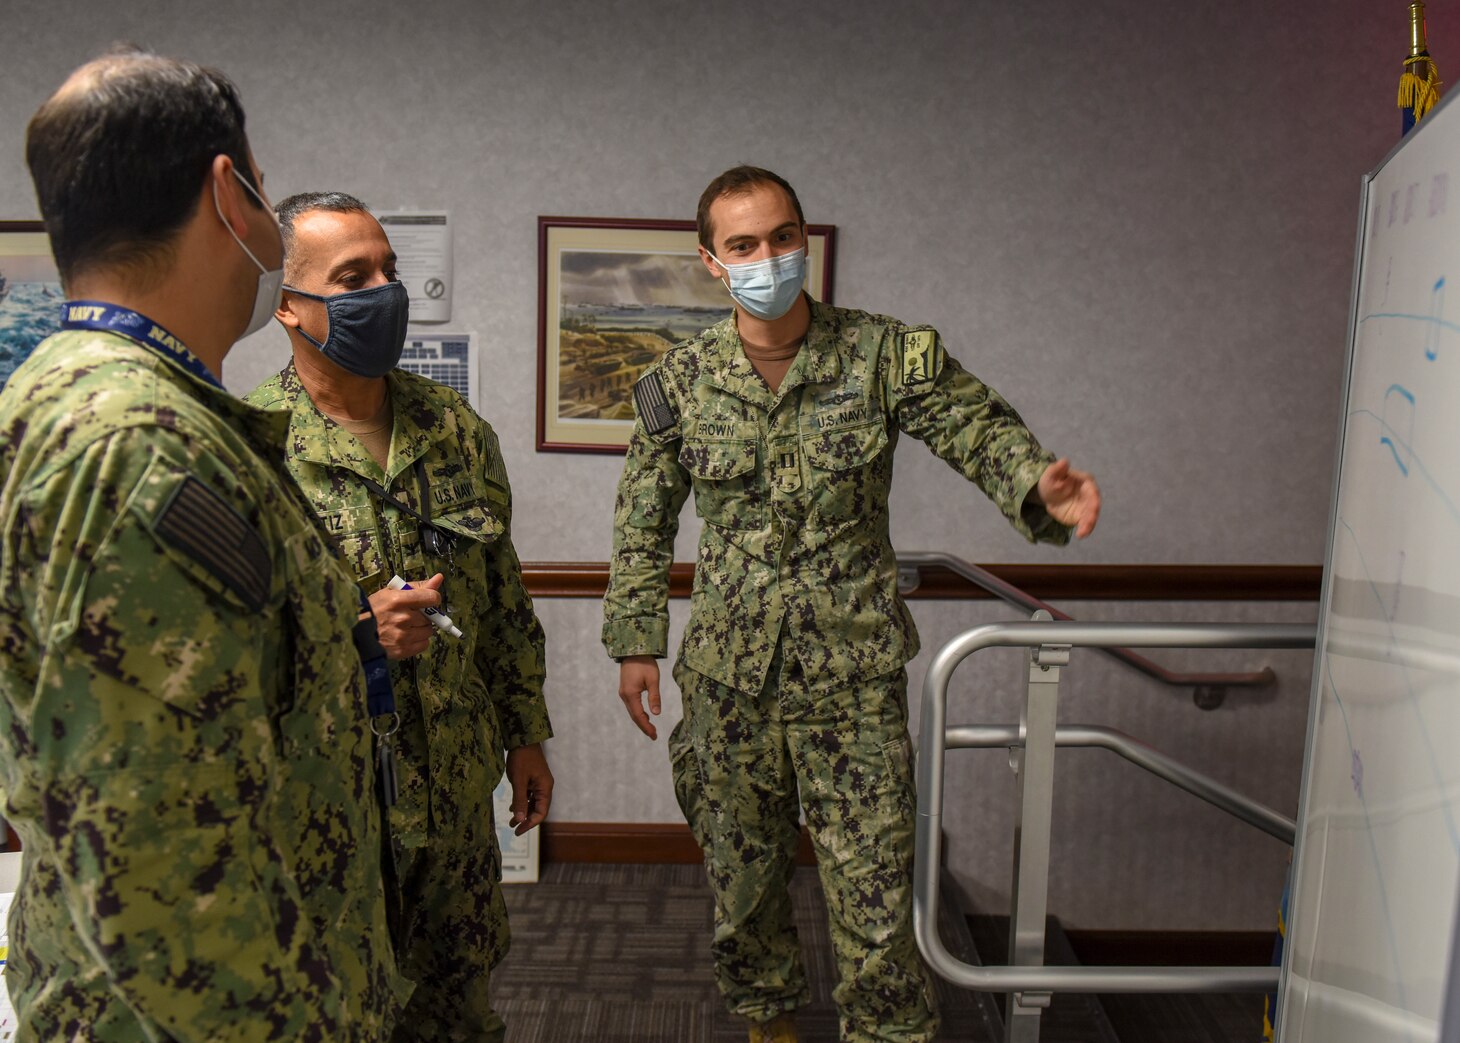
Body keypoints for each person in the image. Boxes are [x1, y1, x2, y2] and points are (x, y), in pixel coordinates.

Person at [604, 165, 1102, 1043]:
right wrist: (636, 643)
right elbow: (643, 520)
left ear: (807, 239)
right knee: (743, 880)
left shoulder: (882, 355)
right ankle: (768, 1023)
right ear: (712, 263)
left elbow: (971, 424)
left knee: (874, 892)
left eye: (783, 237)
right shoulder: (677, 385)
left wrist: (1036, 485)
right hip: (730, 680)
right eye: (745, 245)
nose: (769, 257)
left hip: (852, 679)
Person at [0, 49, 409, 1040]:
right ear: (230, 194)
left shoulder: (127, 401)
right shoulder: (131, 441)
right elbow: (161, 865)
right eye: (264, 189)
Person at [245, 191, 554, 1043]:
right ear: (289, 306)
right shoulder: (253, 449)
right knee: (345, 1018)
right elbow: (233, 658)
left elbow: (502, 597)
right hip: (333, 813)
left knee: (461, 1012)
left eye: (388, 270)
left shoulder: (454, 428)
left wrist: (526, 734)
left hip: (455, 795)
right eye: (354, 277)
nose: (386, 291)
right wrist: (355, 637)